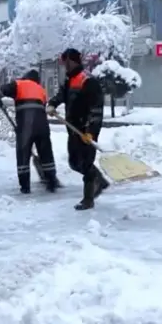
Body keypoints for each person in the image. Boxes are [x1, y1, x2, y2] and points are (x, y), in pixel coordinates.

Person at [46, 48, 109, 210]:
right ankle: (99, 180)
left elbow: (96, 109)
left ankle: (88, 199)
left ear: (71, 61)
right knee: (74, 163)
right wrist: (53, 103)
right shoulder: (70, 80)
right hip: (73, 129)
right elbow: (62, 94)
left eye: (65, 62)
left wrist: (91, 131)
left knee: (86, 164)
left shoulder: (88, 81)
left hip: (86, 130)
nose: (63, 66)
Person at [0, 69, 59, 194]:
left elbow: (2, 90)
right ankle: (51, 182)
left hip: (26, 126)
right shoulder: (41, 89)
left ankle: (25, 187)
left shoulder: (19, 84)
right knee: (46, 153)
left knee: (23, 155)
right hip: (42, 126)